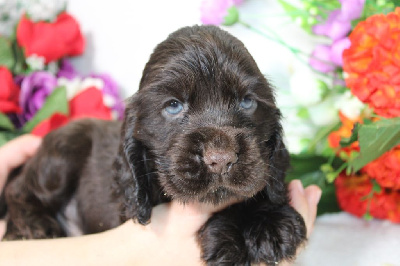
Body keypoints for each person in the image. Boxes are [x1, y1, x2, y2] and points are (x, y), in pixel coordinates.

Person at [0, 134, 321, 265]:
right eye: (175, 106)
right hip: (57, 206)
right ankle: (26, 214)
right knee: (70, 139)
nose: (217, 151)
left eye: (247, 102)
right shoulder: (142, 161)